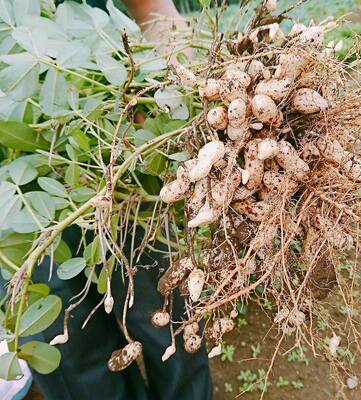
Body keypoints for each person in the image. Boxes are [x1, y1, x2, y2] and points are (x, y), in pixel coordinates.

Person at [1, 1, 213, 399]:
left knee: (166, 318)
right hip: (17, 203)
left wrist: (190, 87)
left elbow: (153, 9)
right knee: (72, 357)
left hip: (122, 153)